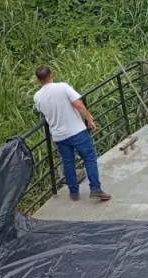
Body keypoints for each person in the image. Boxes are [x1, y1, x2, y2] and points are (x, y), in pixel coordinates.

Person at [33, 66, 111, 202]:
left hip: (58, 135)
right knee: (89, 159)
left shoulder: (37, 96)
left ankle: (74, 193)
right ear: (52, 75)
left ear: (38, 80)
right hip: (76, 131)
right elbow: (78, 104)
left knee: (68, 164)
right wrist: (90, 120)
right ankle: (95, 189)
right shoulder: (62, 87)